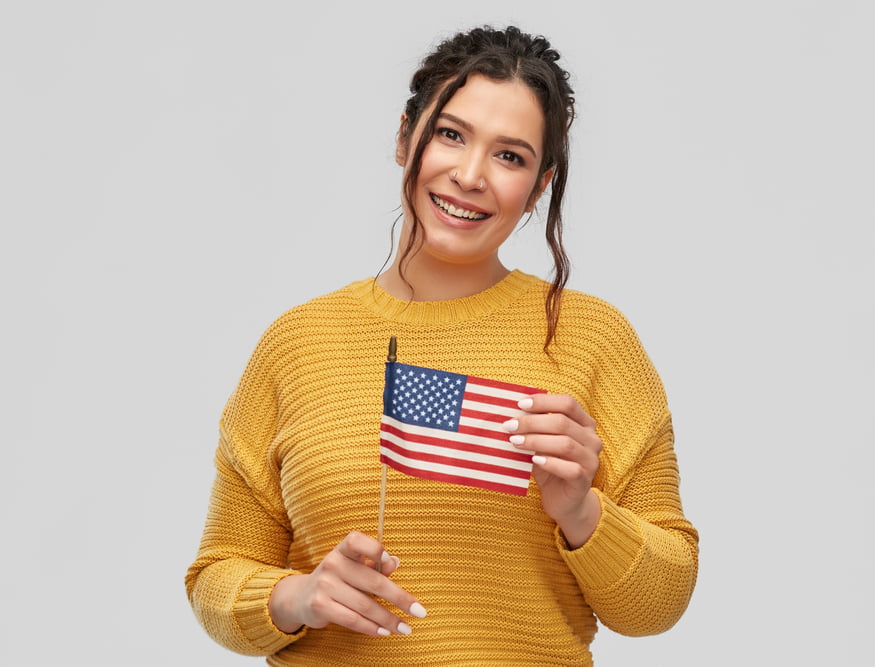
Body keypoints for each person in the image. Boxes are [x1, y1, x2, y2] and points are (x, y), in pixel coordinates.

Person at [185, 25, 698, 666]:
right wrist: (299, 595)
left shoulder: (595, 341)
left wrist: (581, 511)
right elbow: (215, 575)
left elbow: (662, 600)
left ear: (541, 185)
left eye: (510, 156)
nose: (470, 174)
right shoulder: (296, 345)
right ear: (405, 138)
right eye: (451, 135)